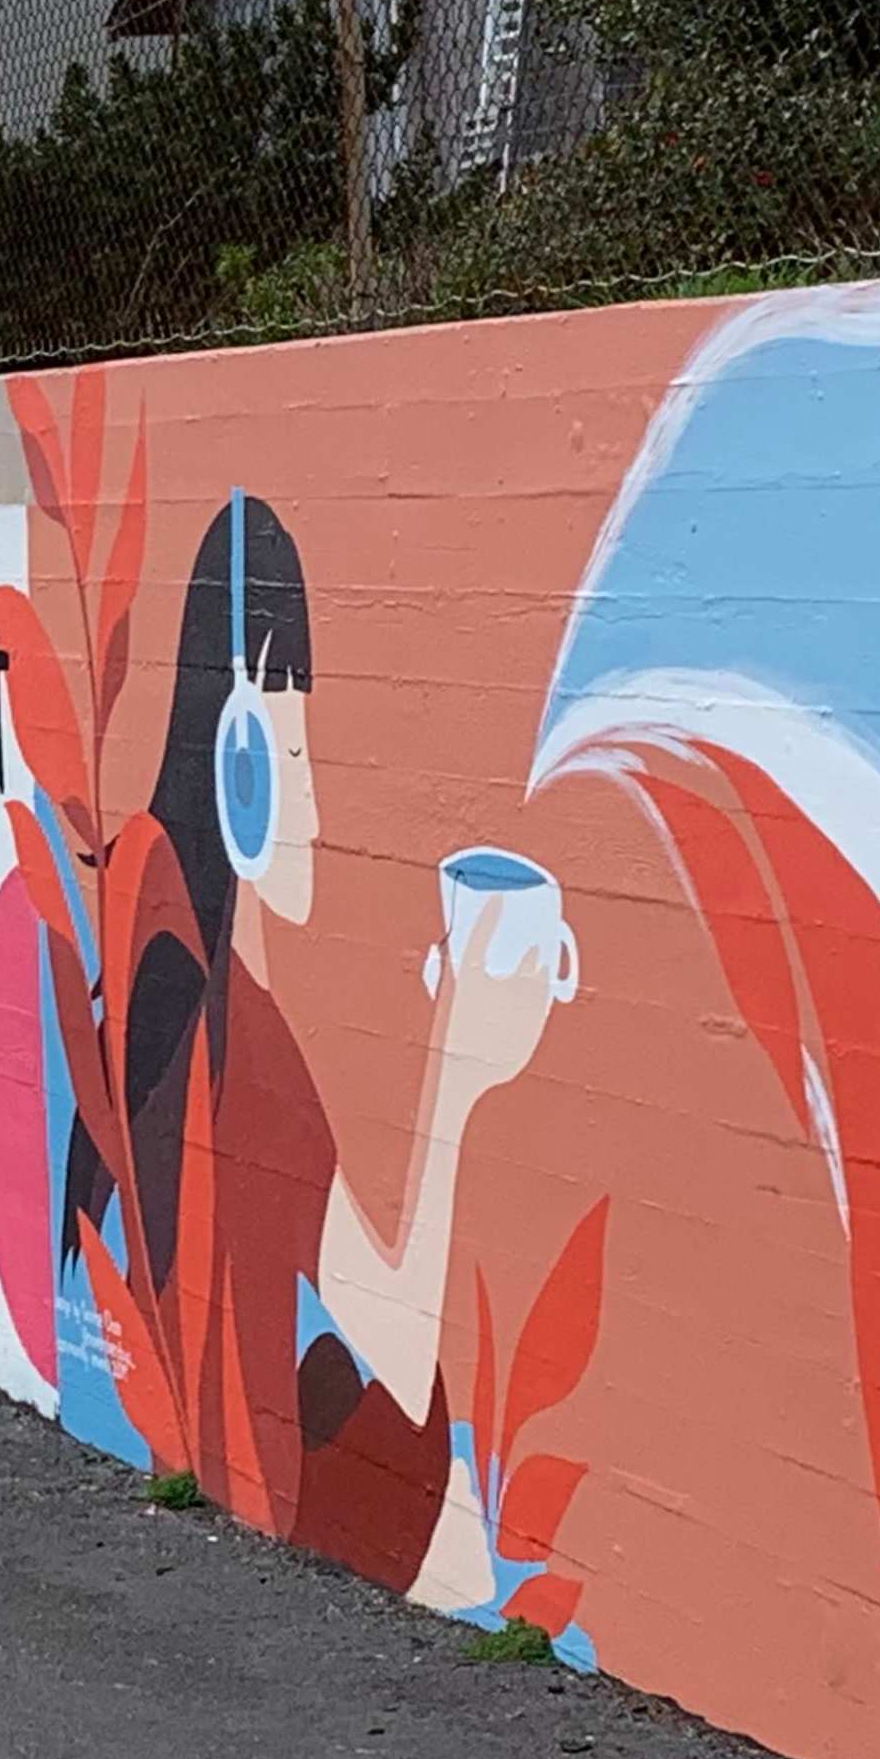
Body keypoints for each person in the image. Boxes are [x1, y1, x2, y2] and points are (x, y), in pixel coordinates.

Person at [76, 492, 564, 1598]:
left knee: (341, 1391)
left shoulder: (161, 964)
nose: (318, 807)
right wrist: (459, 1073)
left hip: (201, 1436)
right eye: (294, 757)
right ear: (235, 769)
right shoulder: (245, 1053)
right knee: (414, 1435)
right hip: (260, 1478)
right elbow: (398, 1333)